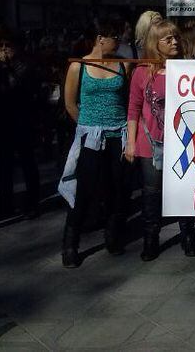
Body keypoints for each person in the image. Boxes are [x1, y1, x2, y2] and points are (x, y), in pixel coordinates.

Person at [58, 18, 131, 267]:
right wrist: (87, 125)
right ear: (102, 38)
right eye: (116, 38)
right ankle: (70, 242)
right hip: (91, 137)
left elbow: (127, 99)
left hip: (117, 135)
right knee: (84, 189)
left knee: (116, 187)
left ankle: (112, 235)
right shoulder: (78, 67)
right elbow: (69, 103)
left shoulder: (123, 65)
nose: (119, 42)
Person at [126, 20, 195, 262]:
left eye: (176, 37)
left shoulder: (188, 69)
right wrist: (130, 142)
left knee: (183, 190)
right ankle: (151, 238)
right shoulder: (141, 72)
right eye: (168, 39)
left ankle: (188, 235)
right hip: (150, 142)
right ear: (155, 43)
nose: (175, 42)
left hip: (182, 141)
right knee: (151, 193)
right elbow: (134, 109)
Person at [0, 27, 41, 220]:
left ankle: (32, 202)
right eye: (0, 46)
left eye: (8, 45)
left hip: (23, 120)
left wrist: (8, 67)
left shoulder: (25, 65)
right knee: (4, 165)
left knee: (27, 162)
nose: (4, 49)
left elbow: (18, 89)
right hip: (3, 121)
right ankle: (5, 203)